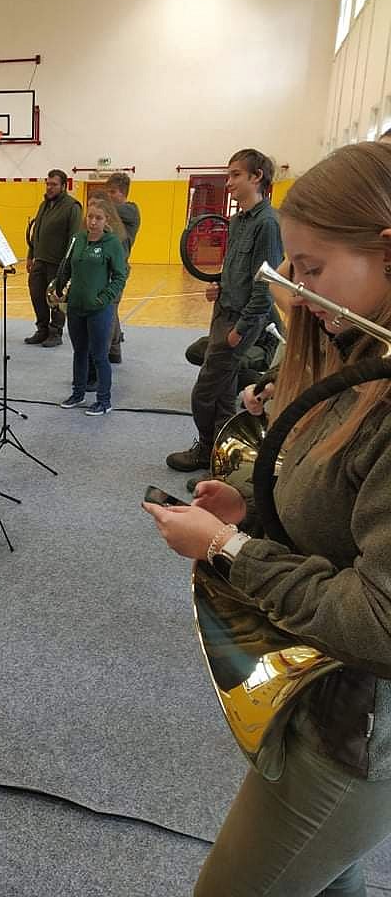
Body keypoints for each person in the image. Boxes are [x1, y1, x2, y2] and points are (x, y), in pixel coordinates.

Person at [145, 140, 391, 897]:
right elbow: (335, 476)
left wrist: (228, 547)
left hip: (362, 731)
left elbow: (380, 620)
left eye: (312, 269)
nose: (299, 291)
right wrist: (254, 500)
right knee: (330, 879)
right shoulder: (363, 348)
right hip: (330, 702)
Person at [166, 148, 283, 477]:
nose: (228, 182)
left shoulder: (267, 224)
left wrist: (242, 329)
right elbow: (235, 269)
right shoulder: (238, 221)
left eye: (235, 175)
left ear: (256, 177)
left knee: (205, 391)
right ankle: (222, 460)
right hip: (223, 312)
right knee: (222, 393)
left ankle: (208, 449)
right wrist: (218, 286)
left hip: (242, 322)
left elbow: (266, 284)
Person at [53, 196, 127, 416]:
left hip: (99, 310)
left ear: (107, 220)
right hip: (76, 307)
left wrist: (104, 298)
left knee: (99, 356)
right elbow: (67, 266)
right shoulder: (77, 239)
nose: (93, 222)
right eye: (90, 217)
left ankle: (104, 401)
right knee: (79, 352)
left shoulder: (112, 243)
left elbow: (120, 277)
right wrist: (59, 289)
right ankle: (78, 393)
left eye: (98, 218)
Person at [25, 169, 83, 348]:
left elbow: (74, 238)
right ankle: (42, 329)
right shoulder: (44, 205)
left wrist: (67, 266)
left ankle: (55, 331)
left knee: (57, 298)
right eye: (48, 184)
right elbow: (36, 232)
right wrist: (30, 255)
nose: (49, 187)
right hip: (40, 260)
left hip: (58, 263)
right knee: (36, 295)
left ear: (64, 186)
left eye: (54, 184)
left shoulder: (72, 207)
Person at [104, 173, 141, 363]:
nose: (109, 196)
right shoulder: (112, 213)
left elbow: (104, 208)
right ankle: (115, 350)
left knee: (108, 309)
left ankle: (104, 352)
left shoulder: (130, 211)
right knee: (111, 308)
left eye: (113, 192)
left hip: (118, 269)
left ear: (123, 193)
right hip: (105, 267)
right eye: (107, 192)